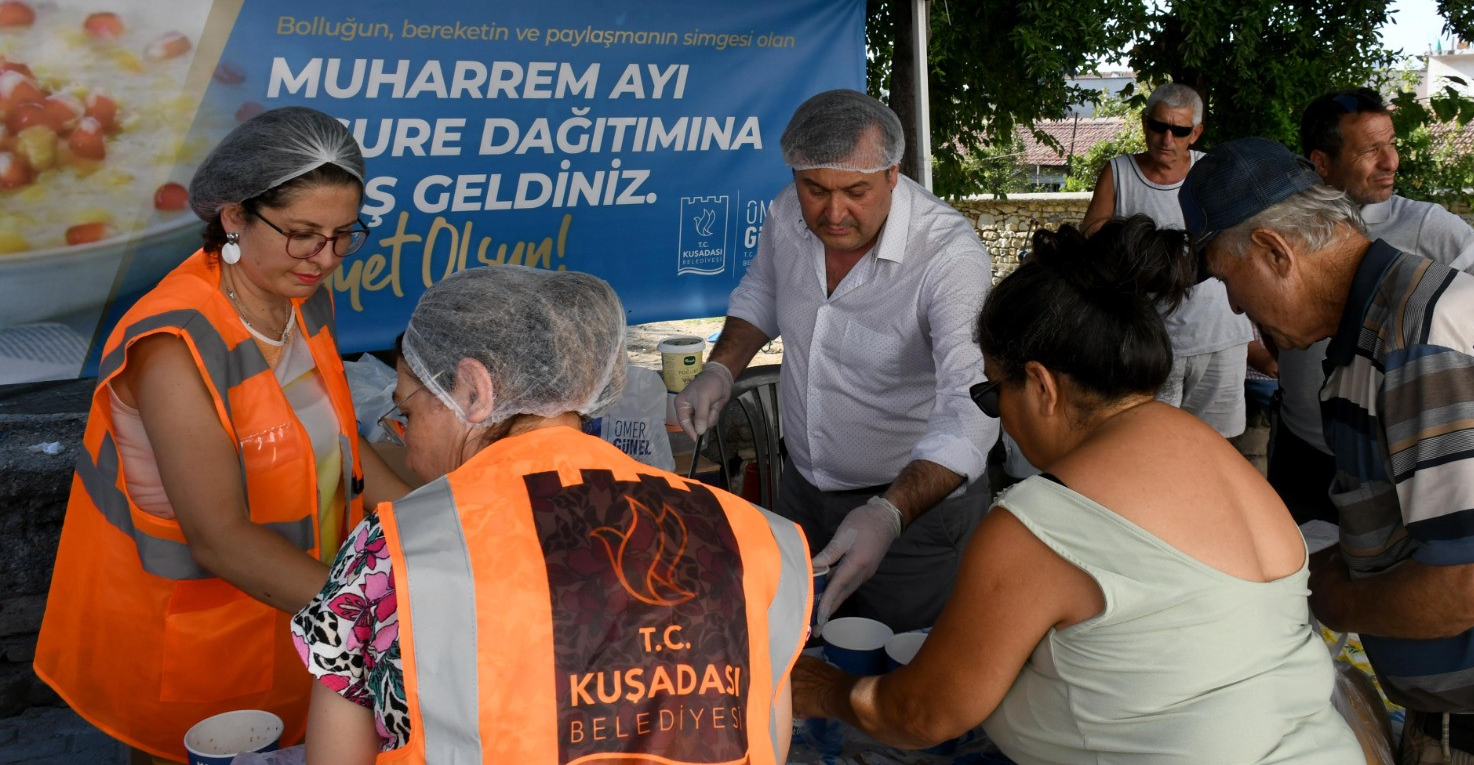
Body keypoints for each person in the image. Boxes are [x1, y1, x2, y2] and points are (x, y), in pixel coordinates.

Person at [792, 216, 1362, 764]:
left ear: (1041, 386)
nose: (997, 415)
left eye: (992, 394)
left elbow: (921, 714)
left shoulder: (1042, 522)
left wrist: (822, 689)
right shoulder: (1224, 460)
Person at [1182, 136, 1474, 764]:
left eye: (1227, 280)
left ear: (1274, 251)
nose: (1237, 307)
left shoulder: (1419, 342)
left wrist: (1335, 600)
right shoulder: (1389, 327)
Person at [294, 265, 812, 764]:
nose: (406, 449)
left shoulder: (391, 551)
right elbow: (766, 737)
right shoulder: (758, 537)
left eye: (407, 412)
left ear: (473, 389)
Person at [34, 107, 413, 762]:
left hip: (303, 621)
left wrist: (440, 533)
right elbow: (219, 537)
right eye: (302, 234)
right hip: (197, 648)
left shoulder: (300, 297)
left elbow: (343, 451)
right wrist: (383, 616)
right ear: (235, 216)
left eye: (342, 234)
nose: (325, 258)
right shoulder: (173, 344)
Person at [674, 89, 996, 632]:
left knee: (897, 660)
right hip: (803, 491)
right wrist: (721, 368)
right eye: (815, 189)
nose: (833, 212)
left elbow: (972, 408)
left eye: (855, 191)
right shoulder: (786, 212)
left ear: (892, 175)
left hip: (914, 509)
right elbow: (763, 291)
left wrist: (889, 514)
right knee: (799, 642)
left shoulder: (948, 256)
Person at [1269, 88, 1474, 523]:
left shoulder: (1422, 224)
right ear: (1321, 163)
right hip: (1299, 450)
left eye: (1391, 144)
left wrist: (1467, 382)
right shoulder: (1285, 221)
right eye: (1370, 150)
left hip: (1387, 461)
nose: (1391, 162)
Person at [1083, 82, 1252, 437]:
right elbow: (1092, 250)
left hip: (1218, 337)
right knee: (1149, 444)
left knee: (1218, 446)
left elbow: (1245, 243)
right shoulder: (1119, 173)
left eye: (1180, 131)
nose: (1167, 139)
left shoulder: (1213, 171)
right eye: (1159, 126)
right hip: (1149, 343)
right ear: (1145, 123)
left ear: (1196, 133)